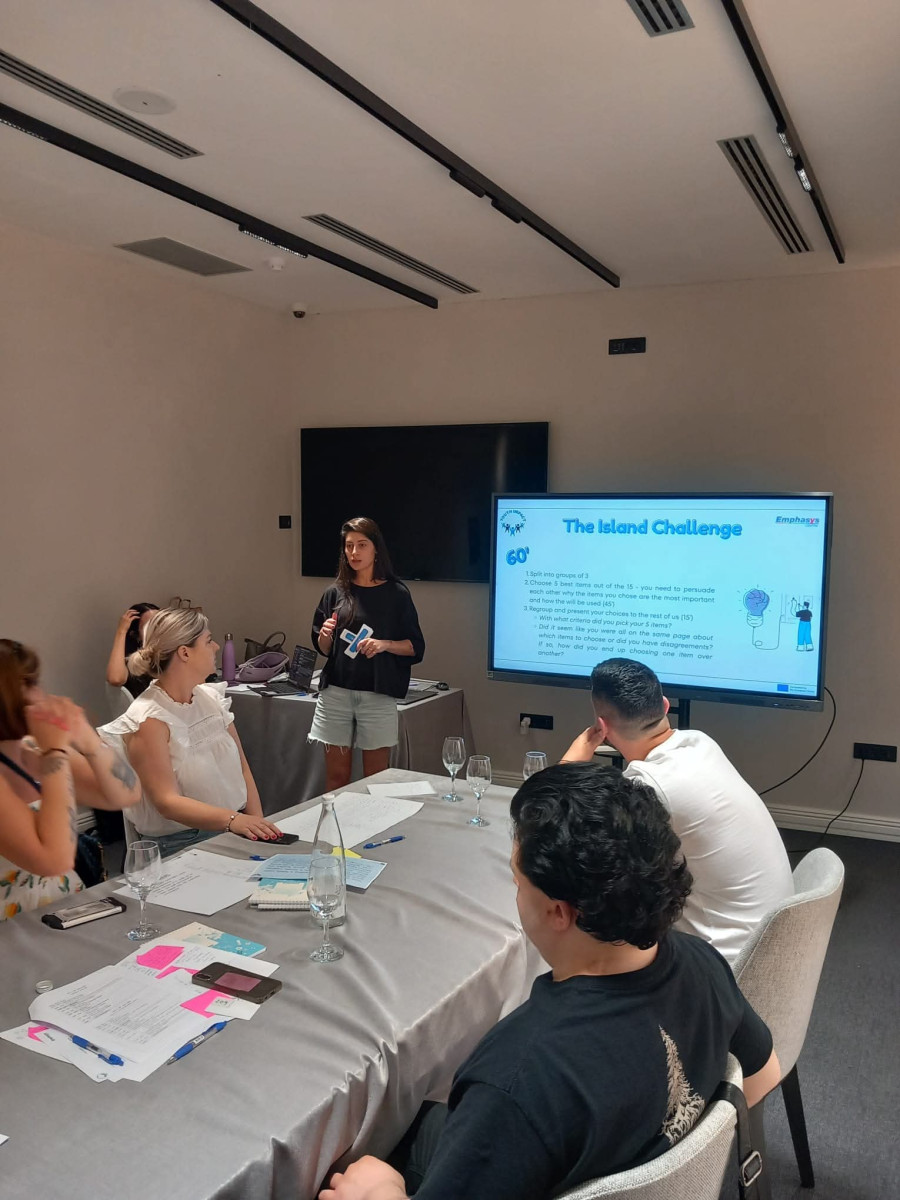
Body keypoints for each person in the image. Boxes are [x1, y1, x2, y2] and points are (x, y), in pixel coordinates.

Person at [319, 762, 780, 1200]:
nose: (516, 894)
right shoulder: (703, 963)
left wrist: (382, 1191)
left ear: (558, 911)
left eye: (519, 883)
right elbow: (763, 1072)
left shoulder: (517, 1079)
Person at [561, 657, 793, 963]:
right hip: (770, 936)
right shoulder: (700, 742)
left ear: (602, 727)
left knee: (588, 920)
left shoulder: (650, 784)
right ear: (666, 706)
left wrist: (569, 765)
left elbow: (563, 835)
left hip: (727, 961)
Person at [101, 608, 283, 857]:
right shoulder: (148, 719)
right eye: (208, 641)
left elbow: (242, 767)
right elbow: (166, 801)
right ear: (184, 652)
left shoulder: (210, 697)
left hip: (232, 829)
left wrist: (256, 826)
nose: (217, 647)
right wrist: (234, 821)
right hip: (181, 844)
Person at [0, 638, 141, 920]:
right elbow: (54, 859)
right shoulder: (43, 752)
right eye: (29, 684)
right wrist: (56, 753)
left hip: (61, 909)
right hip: (14, 928)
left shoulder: (29, 748)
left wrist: (87, 740)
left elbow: (127, 792)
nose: (41, 694)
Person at [311, 517, 425, 791]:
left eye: (362, 545)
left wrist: (385, 644)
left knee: (376, 780)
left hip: (377, 695)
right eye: (349, 546)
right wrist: (325, 636)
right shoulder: (334, 593)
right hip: (336, 695)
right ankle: (335, 832)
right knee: (336, 780)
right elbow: (325, 650)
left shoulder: (396, 594)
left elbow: (415, 647)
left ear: (376, 549)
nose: (354, 553)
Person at [105, 603, 160, 698]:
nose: (159, 630)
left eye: (161, 623)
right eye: (150, 626)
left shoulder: (176, 654)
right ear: (136, 635)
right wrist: (121, 631)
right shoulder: (135, 663)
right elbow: (115, 679)